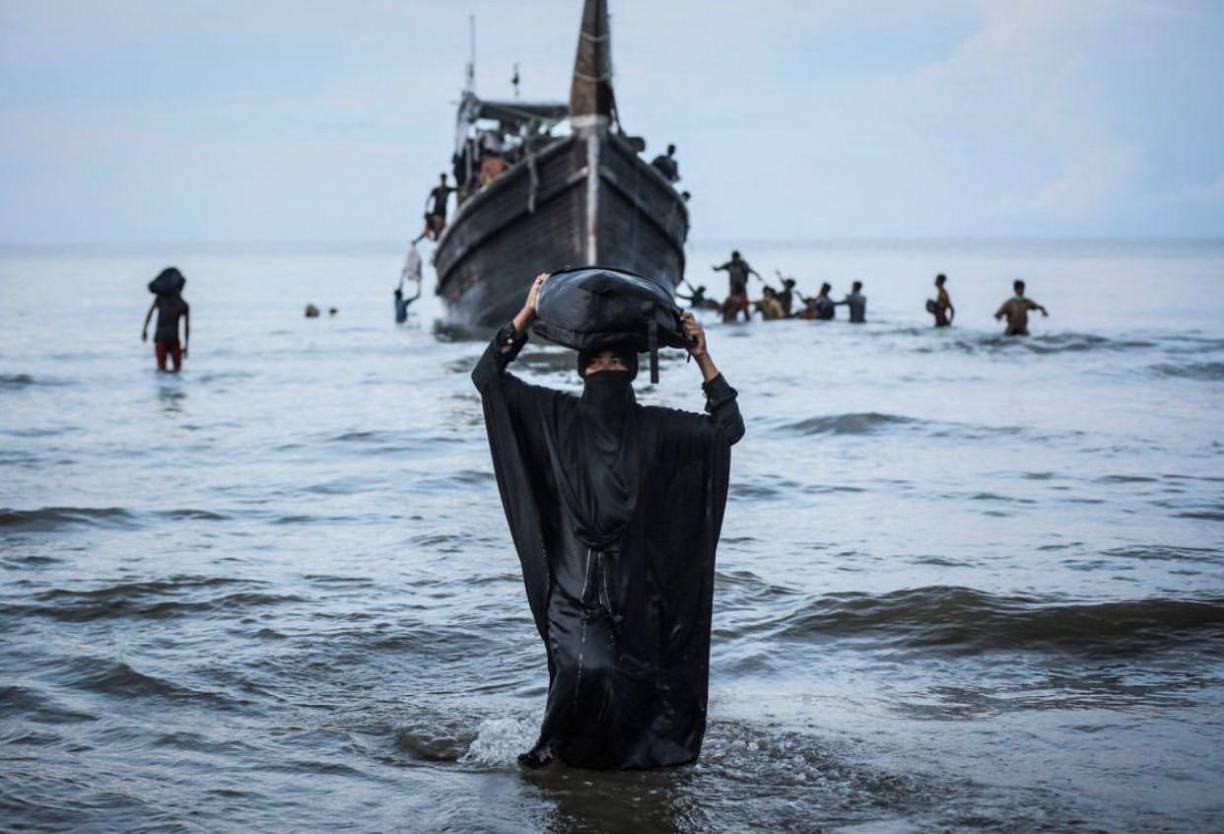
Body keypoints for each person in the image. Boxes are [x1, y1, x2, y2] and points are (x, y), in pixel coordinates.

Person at [472, 272, 744, 770]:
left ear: (632, 372)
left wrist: (701, 354)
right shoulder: (555, 414)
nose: (606, 369)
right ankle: (549, 759)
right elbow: (487, 379)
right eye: (597, 361)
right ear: (582, 370)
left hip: (636, 592)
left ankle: (607, 782)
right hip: (572, 587)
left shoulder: (659, 428)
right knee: (585, 671)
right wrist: (527, 312)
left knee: (634, 691)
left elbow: (728, 429)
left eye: (617, 361)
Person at [141, 270, 190, 372]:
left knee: (161, 369)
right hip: (171, 339)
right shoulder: (182, 304)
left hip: (163, 338)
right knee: (176, 370)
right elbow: (186, 327)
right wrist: (186, 345)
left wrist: (145, 330)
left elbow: (150, 313)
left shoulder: (161, 300)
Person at [414, 174, 456, 243]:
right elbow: (424, 233)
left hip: (442, 214)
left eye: (444, 179)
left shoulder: (447, 189)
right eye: (442, 179)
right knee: (438, 224)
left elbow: (457, 189)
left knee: (440, 225)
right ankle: (438, 238)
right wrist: (416, 241)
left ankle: (438, 238)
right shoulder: (436, 190)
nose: (443, 181)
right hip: (437, 212)